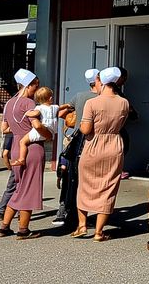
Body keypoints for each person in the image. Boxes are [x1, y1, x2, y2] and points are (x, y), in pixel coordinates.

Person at [73, 66, 129, 242]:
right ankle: (99, 232)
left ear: (102, 82)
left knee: (85, 185)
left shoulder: (92, 103)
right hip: (114, 145)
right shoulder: (124, 103)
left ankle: (82, 225)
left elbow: (86, 129)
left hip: (93, 145)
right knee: (108, 187)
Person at [0, 69, 52, 240]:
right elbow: (37, 125)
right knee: (29, 189)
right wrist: (49, 134)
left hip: (16, 145)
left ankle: (4, 227)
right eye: (36, 85)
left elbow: (4, 128)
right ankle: (23, 229)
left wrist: (17, 129)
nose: (37, 89)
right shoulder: (29, 103)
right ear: (28, 85)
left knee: (19, 187)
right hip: (32, 147)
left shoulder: (9, 103)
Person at [51, 68, 101, 227]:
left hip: (76, 139)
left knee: (70, 177)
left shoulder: (79, 96)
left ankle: (64, 210)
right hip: (94, 141)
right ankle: (83, 215)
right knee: (88, 180)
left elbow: (61, 113)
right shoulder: (102, 98)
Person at [10, 86, 59, 167]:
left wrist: (27, 113)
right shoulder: (55, 107)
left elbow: (35, 113)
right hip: (51, 130)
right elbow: (61, 108)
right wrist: (67, 106)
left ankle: (21, 159)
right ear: (50, 98)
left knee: (22, 142)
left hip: (40, 131)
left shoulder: (39, 107)